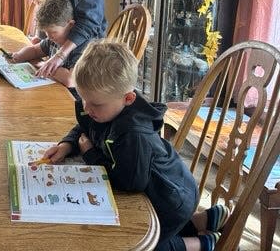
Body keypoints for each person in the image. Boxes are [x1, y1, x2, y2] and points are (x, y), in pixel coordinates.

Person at [42, 40, 228, 251]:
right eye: (83, 99)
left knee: (141, 244)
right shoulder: (102, 106)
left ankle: (202, 244)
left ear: (128, 99)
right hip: (165, 188)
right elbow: (85, 126)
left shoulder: (134, 135)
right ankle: (204, 221)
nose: (87, 107)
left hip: (171, 200)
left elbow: (130, 183)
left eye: (94, 104)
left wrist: (91, 154)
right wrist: (67, 144)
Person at [10, 0, 76, 88]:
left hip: (71, 99)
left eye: (53, 32)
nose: (49, 36)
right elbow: (35, 50)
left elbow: (70, 80)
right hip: (53, 88)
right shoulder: (53, 40)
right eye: (46, 31)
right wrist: (18, 55)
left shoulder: (79, 47)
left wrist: (43, 65)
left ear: (70, 24)